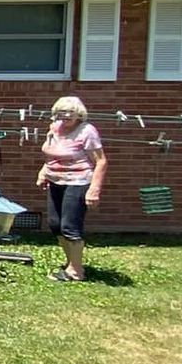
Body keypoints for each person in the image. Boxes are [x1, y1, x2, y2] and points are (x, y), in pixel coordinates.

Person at [35, 95, 107, 282]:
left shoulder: (87, 131)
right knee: (55, 224)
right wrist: (43, 172)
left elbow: (101, 161)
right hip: (56, 181)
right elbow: (52, 155)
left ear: (79, 114)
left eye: (70, 112)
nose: (66, 115)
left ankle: (76, 271)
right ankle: (71, 263)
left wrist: (94, 189)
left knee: (70, 226)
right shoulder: (55, 128)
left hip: (78, 182)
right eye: (61, 112)